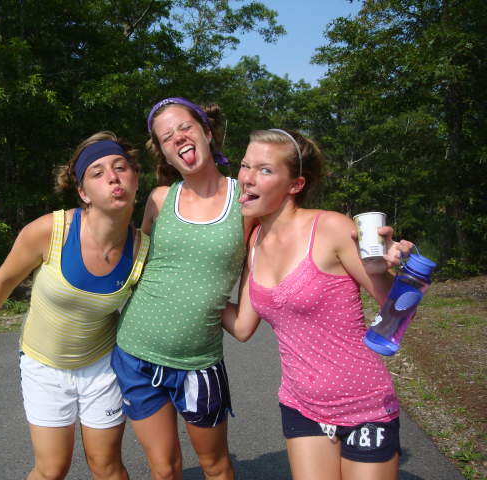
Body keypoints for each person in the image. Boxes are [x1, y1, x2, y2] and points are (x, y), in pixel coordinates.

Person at [0, 131, 150, 480]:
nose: (113, 177)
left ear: (135, 179)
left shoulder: (142, 249)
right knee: (51, 469)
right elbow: (3, 280)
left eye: (120, 167)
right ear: (83, 192)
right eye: (98, 172)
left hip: (101, 368)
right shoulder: (51, 230)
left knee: (107, 467)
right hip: (44, 367)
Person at [222, 128, 413, 480]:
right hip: (301, 404)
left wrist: (380, 272)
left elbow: (397, 312)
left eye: (265, 170)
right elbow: (243, 326)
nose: (247, 178)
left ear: (295, 184)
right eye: (245, 166)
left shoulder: (331, 228)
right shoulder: (254, 242)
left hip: (364, 403)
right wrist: (196, 290)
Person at [110, 98, 246, 480]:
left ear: (207, 132)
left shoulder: (246, 201)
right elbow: (137, 263)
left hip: (198, 364)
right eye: (167, 137)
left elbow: (278, 254)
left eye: (185, 127)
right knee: (164, 469)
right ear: (165, 153)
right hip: (135, 353)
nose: (178, 138)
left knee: (216, 467)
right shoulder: (159, 199)